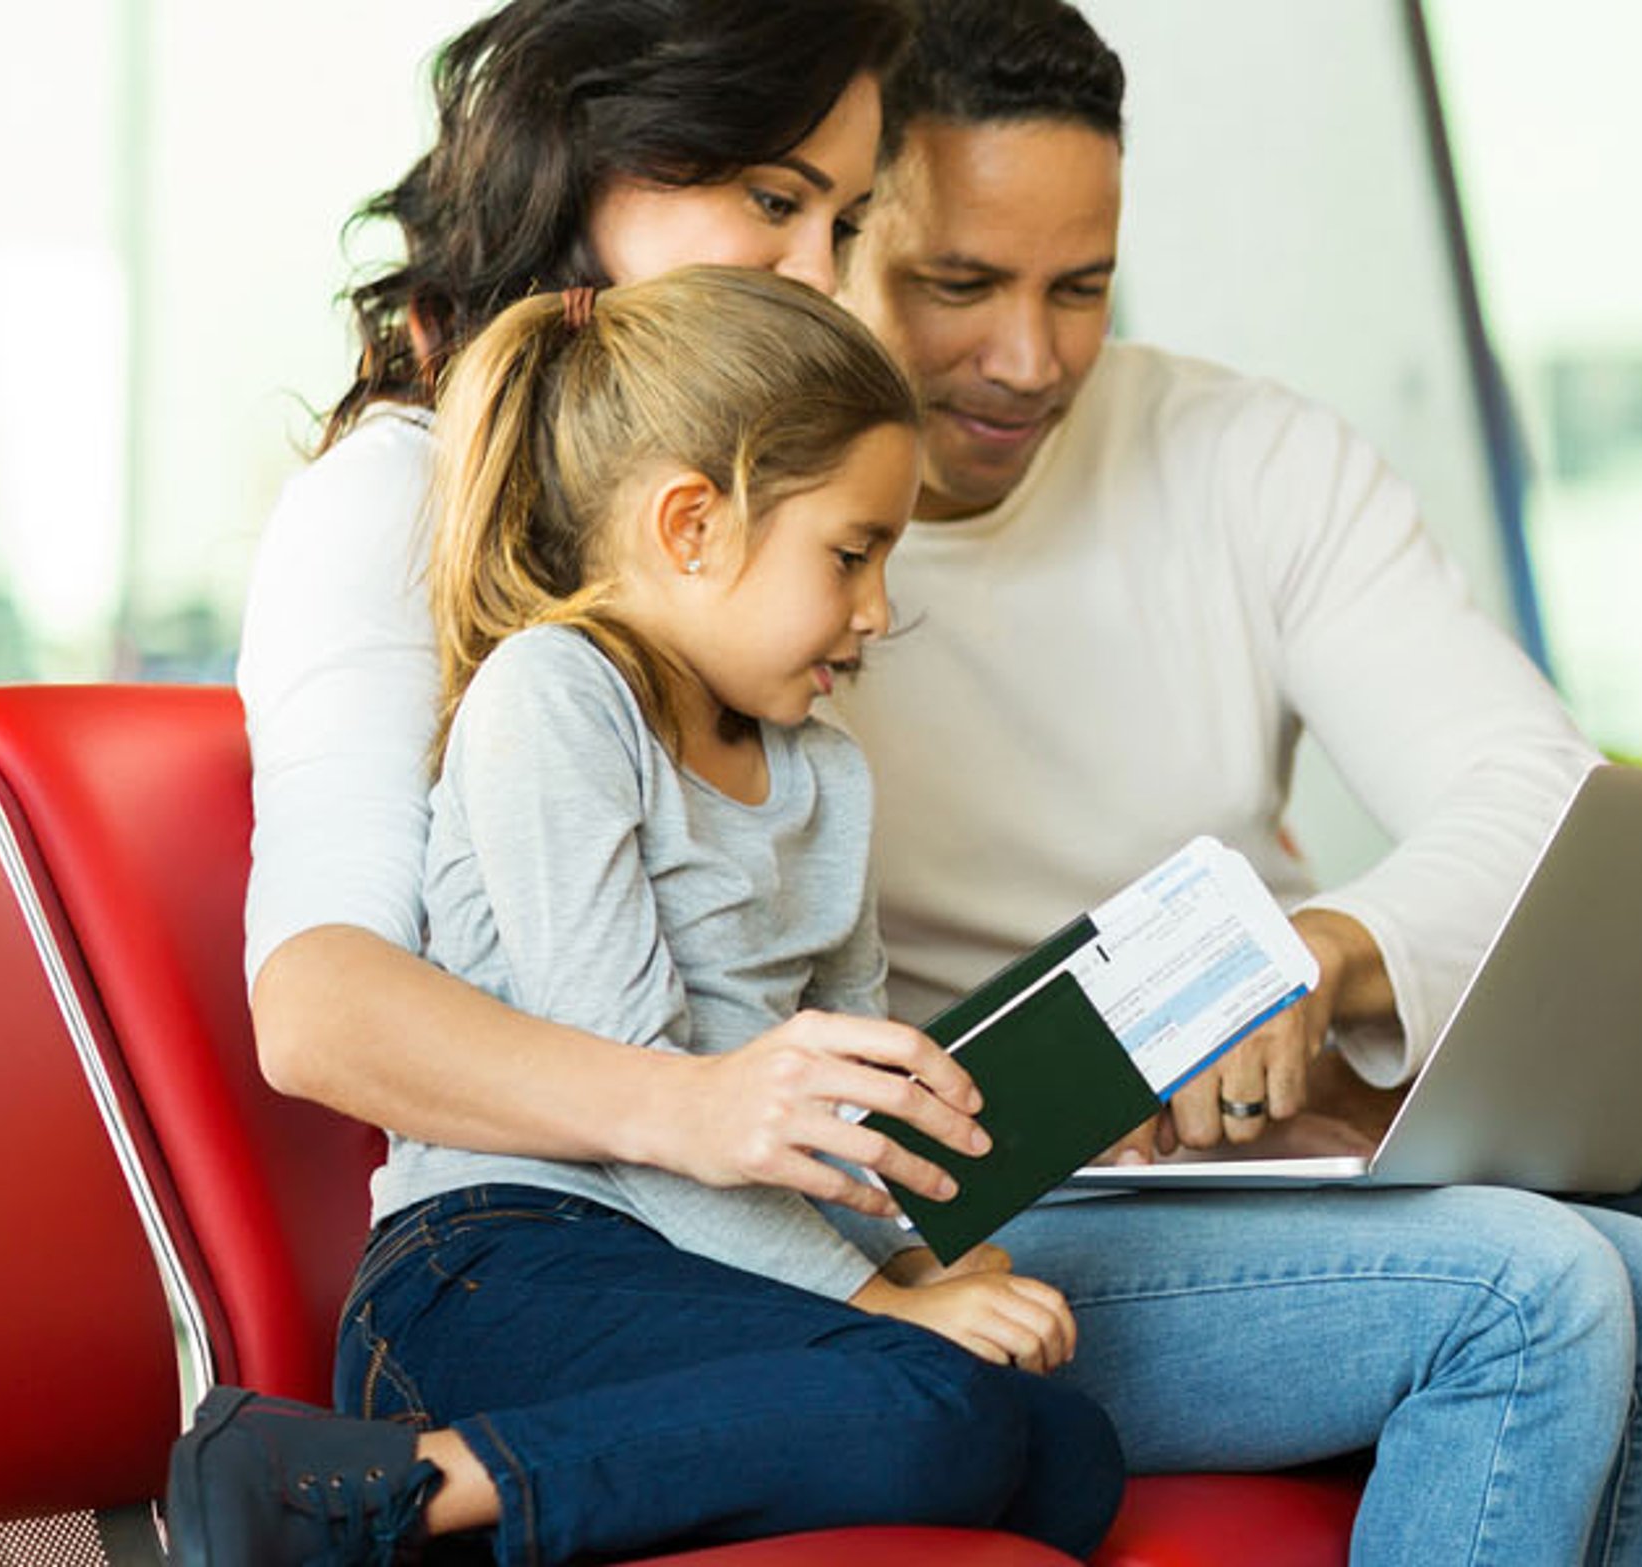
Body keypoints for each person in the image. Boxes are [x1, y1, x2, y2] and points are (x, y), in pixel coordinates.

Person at [236, 4, 1642, 1562]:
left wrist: (1110, 1088)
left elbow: (841, 1044)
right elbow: (324, 1004)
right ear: (591, 166)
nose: (827, 273)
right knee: (1537, 1291)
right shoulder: (422, 513)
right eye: (774, 204)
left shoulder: (793, 680)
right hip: (617, 1235)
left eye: (848, 217)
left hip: (843, 1208)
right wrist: (725, 1128)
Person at [827, 3, 1642, 1562]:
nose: (1027, 360)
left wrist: (1332, 954)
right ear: (830, 234)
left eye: (1079, 288)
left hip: (1378, 1110)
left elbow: (1536, 789)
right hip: (1097, 1186)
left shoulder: (1241, 452)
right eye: (956, 285)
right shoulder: (766, 550)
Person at [172, 265, 1123, 1564]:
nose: (879, 612)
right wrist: (888, 1312)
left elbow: (853, 1127)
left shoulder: (825, 770)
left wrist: (928, 1269)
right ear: (691, 525)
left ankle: (527, 1502)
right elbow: (636, 1115)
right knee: (937, 1402)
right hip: (502, 1263)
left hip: (704, 1266)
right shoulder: (556, 698)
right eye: (853, 554)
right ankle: (369, 1486)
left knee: (1067, 1449)